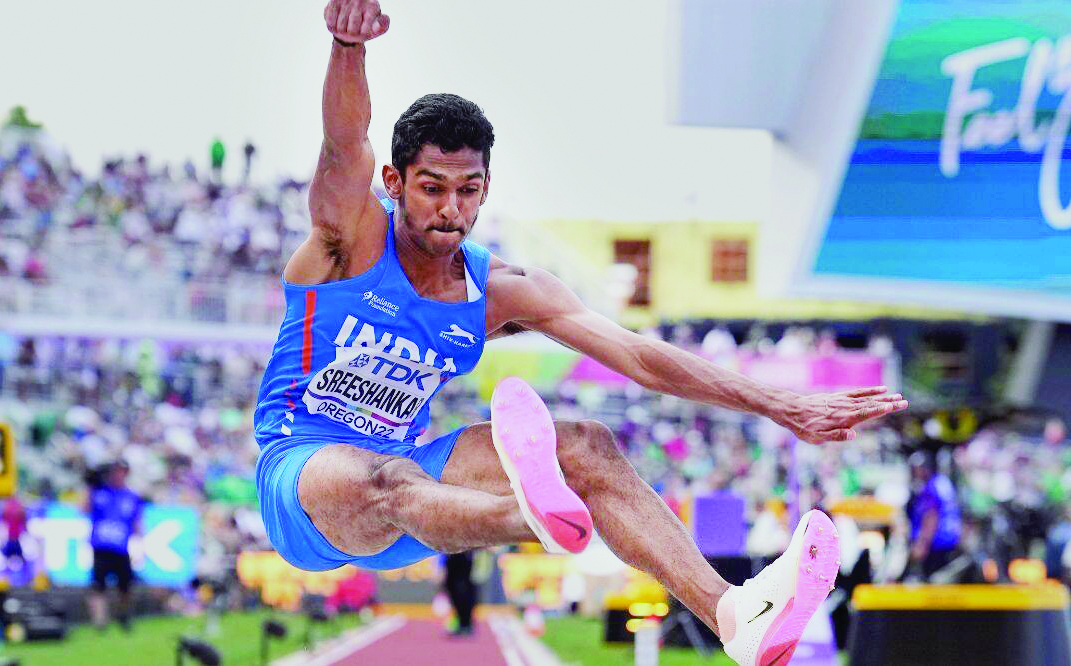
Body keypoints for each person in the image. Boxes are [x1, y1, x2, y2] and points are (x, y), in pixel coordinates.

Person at [252, 3, 909, 664]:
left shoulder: (501, 290)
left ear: (485, 190)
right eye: (431, 188)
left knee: (590, 448)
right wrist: (347, 44)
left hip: (426, 495)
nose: (451, 209)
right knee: (383, 475)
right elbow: (345, 143)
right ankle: (533, 516)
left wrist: (779, 404)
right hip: (305, 477)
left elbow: (641, 357)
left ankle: (734, 615)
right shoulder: (349, 244)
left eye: (468, 189)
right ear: (393, 182)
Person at [86, 460, 143, 631]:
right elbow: (84, 509)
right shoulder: (100, 493)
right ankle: (100, 621)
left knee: (125, 586)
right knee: (98, 585)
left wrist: (140, 541)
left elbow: (136, 523)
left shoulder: (131, 497)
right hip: (101, 546)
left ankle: (123, 616)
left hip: (121, 547)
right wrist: (89, 487)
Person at [905, 451, 961, 580]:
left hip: (935, 544)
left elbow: (932, 516)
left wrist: (922, 544)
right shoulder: (943, 482)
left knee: (930, 582)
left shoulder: (931, 488)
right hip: (949, 541)